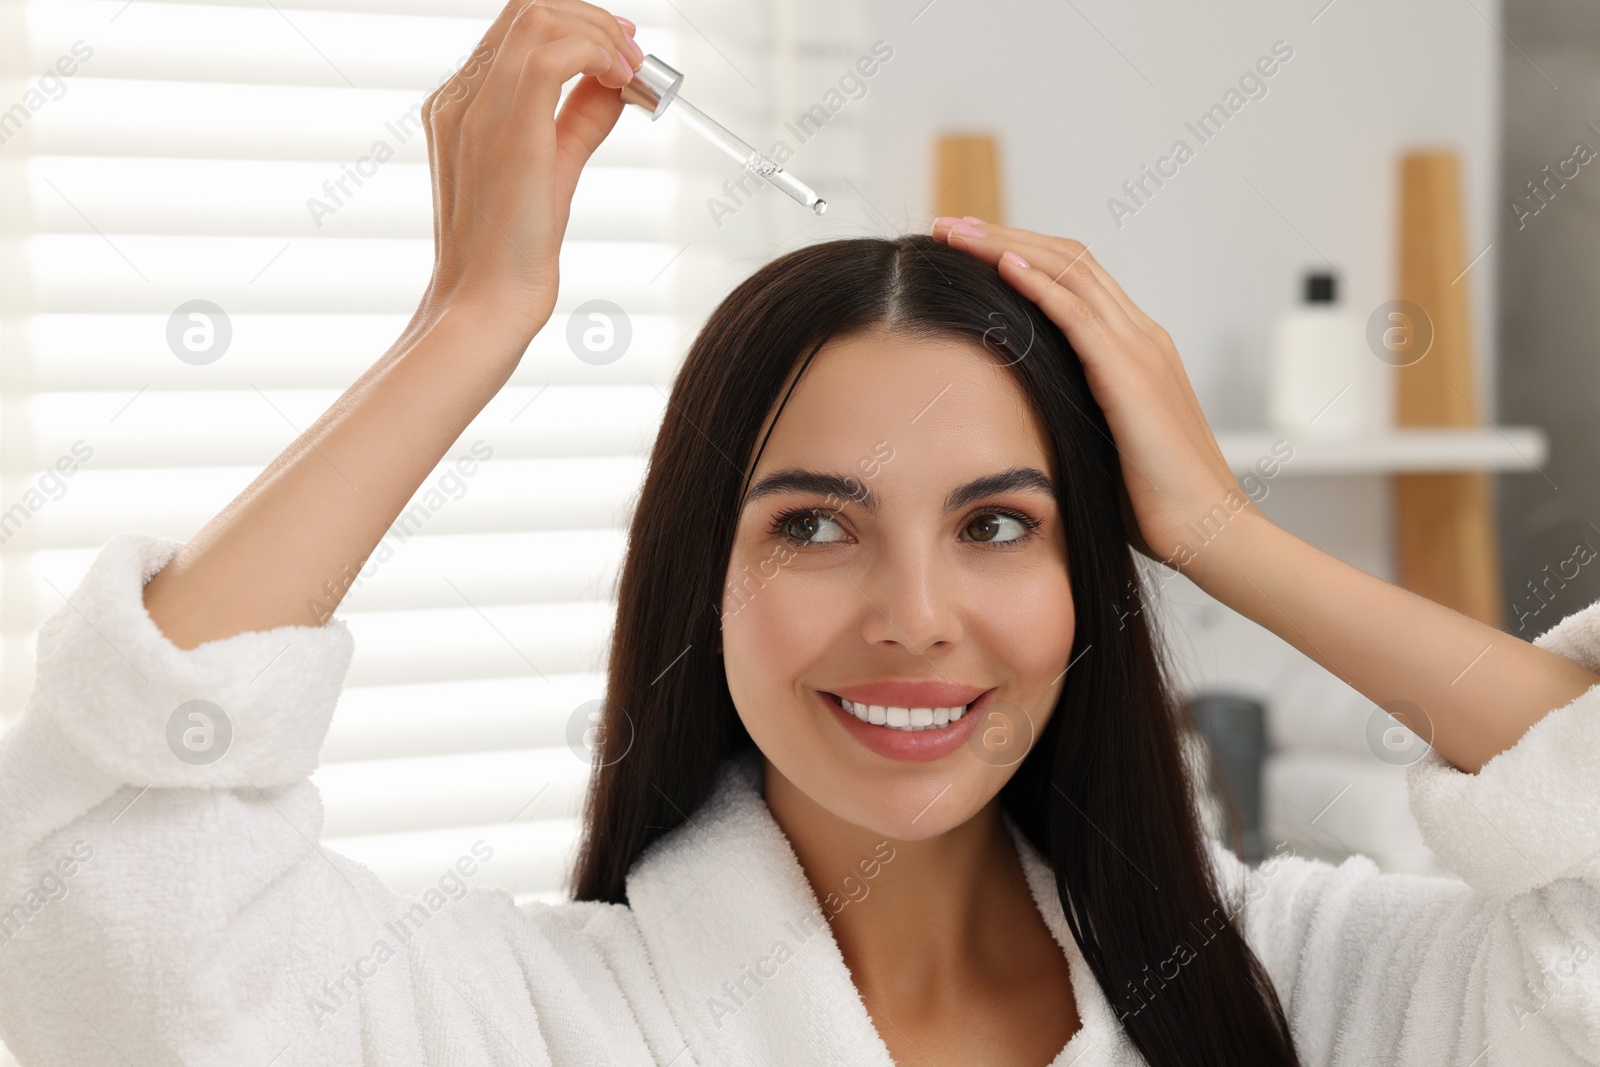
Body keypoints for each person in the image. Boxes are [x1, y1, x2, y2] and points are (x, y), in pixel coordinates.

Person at [2, 1, 1599, 1064]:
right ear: (706, 574)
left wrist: (1217, 526)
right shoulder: (530, 1020)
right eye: (818, 525)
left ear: (1085, 582)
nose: (914, 615)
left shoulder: (1294, 991)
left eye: (997, 524)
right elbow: (111, 885)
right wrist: (473, 317)